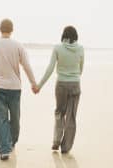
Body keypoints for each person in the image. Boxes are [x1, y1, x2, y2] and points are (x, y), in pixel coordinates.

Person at [0, 18, 38, 160]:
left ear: (0, 29)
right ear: (12, 30)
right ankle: (11, 143)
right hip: (14, 88)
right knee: (15, 118)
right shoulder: (18, 46)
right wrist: (34, 83)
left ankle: (5, 148)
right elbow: (26, 66)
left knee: (0, 118)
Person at [34, 26, 84, 154]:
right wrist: (74, 77)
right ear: (75, 36)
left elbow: (50, 69)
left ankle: (56, 141)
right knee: (71, 116)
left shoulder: (57, 48)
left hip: (61, 84)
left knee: (59, 113)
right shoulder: (80, 49)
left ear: (63, 35)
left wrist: (39, 85)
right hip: (75, 84)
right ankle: (66, 147)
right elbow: (81, 68)